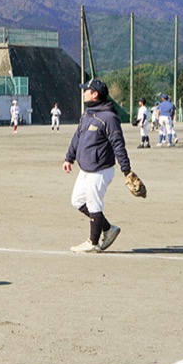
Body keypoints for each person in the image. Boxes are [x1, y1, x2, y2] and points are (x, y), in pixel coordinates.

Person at [64, 79, 132, 254]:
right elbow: (77, 136)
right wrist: (69, 158)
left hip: (101, 169)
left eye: (86, 90)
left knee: (94, 204)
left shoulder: (109, 117)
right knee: (77, 201)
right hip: (85, 169)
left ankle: (93, 242)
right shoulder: (87, 114)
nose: (84, 92)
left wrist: (126, 171)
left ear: (95, 94)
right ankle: (109, 229)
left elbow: (118, 144)